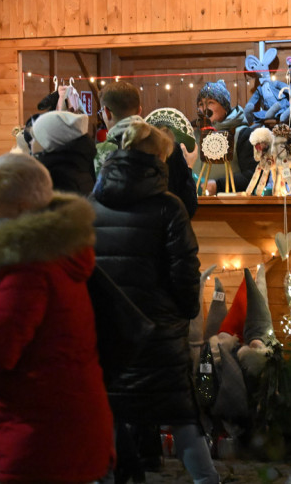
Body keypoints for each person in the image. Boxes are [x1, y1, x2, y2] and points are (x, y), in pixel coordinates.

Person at [0, 154, 113, 484]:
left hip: (40, 434)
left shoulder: (27, 271)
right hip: (68, 421)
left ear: (20, 208)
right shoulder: (61, 254)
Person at [90, 122, 219, 484]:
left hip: (109, 329)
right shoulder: (169, 207)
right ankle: (206, 479)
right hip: (159, 330)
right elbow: (184, 272)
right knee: (181, 414)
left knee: (109, 410)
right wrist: (185, 312)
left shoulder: (91, 203)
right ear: (158, 158)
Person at [94, 81, 197, 218]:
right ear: (139, 110)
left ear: (106, 112)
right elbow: (188, 206)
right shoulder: (169, 148)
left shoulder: (98, 153)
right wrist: (188, 167)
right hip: (160, 229)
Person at [193, 80, 255, 195]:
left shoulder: (242, 135)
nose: (205, 108)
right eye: (201, 104)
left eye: (210, 102)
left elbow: (253, 175)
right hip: (197, 202)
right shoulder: (194, 135)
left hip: (231, 203)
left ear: (225, 107)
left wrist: (219, 185)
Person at [31, 110, 96, 194]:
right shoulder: (76, 167)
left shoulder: (57, 180)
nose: (31, 142)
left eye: (34, 138)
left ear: (47, 143)